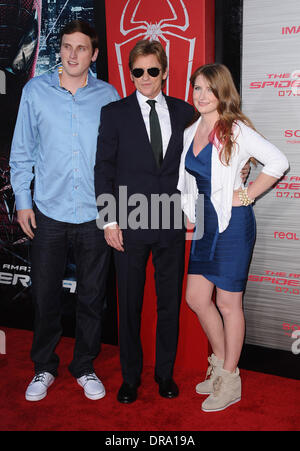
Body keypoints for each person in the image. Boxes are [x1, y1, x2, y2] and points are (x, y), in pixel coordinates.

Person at [94, 40, 249, 404]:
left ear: (164, 72)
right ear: (129, 73)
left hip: (171, 219)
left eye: (152, 70)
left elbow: (219, 143)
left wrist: (243, 167)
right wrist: (108, 220)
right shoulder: (113, 113)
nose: (145, 78)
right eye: (137, 71)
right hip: (128, 220)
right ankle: (130, 378)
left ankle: (165, 374)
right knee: (129, 304)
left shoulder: (185, 112)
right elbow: (103, 168)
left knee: (170, 303)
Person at [9, 19, 120, 402]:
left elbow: (116, 158)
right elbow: (22, 152)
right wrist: (23, 202)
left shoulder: (108, 95)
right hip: (48, 211)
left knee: (92, 296)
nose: (73, 55)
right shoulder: (35, 92)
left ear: (94, 54)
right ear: (61, 49)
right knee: (45, 297)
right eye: (67, 47)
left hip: (94, 214)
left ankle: (84, 366)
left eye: (81, 48)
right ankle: (44, 367)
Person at [177, 63, 289, 412]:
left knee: (228, 304)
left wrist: (248, 193)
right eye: (197, 88)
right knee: (196, 297)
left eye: (209, 89)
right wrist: (189, 216)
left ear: (222, 93)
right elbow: (190, 182)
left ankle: (230, 380)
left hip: (233, 224)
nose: (202, 96)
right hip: (207, 224)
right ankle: (223, 363)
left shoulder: (235, 130)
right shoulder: (190, 131)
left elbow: (278, 161)